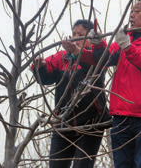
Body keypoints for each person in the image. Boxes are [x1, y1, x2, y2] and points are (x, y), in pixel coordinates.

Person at [67, 0, 141, 168]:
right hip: (120, 115)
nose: (132, 14)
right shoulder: (126, 38)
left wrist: (127, 46)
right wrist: (95, 45)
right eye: (131, 11)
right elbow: (104, 59)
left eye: (137, 11)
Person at [31, 19, 112, 168]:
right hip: (64, 122)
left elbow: (93, 68)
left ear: (90, 38)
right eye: (73, 33)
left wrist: (76, 52)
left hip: (91, 123)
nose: (75, 37)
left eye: (80, 34)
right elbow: (46, 76)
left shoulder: (96, 55)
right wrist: (40, 66)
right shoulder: (62, 57)